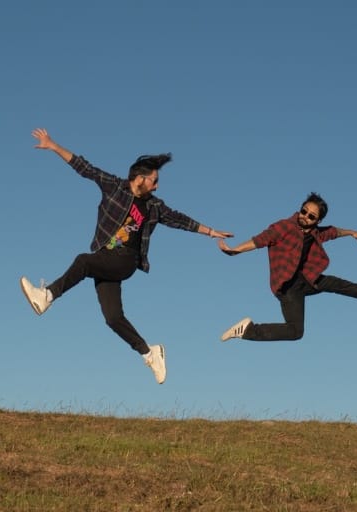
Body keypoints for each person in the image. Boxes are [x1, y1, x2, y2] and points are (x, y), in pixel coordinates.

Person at [20, 128, 233, 384]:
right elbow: (84, 168)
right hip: (106, 258)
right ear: (140, 178)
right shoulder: (115, 187)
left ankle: (47, 295)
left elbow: (179, 220)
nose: (157, 185)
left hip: (125, 259)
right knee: (113, 318)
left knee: (83, 261)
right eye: (154, 180)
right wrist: (54, 146)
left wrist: (210, 232)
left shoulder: (154, 206)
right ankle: (150, 352)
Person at [216, 192, 357, 342]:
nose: (305, 217)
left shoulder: (315, 231)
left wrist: (351, 232)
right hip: (287, 286)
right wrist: (235, 250)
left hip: (305, 279)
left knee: (333, 283)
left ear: (316, 221)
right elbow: (259, 240)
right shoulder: (284, 227)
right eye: (304, 211)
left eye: (311, 216)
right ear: (300, 209)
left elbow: (333, 232)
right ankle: (247, 330)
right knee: (295, 331)